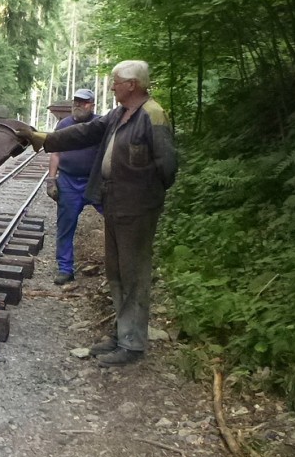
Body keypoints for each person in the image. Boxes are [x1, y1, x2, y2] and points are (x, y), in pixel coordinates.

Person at [18, 61, 177, 367]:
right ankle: (122, 335)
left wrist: (144, 194)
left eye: (117, 82)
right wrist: (44, 139)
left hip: (137, 207)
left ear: (132, 85)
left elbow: (167, 167)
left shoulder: (152, 116)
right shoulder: (118, 114)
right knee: (116, 273)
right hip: (115, 201)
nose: (113, 86)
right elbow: (85, 133)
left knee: (134, 274)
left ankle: (132, 345)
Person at [47, 89, 102, 286]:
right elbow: (55, 152)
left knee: (114, 218)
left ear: (92, 105)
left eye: (84, 102)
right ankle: (65, 269)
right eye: (76, 101)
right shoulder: (64, 124)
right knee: (65, 226)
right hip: (69, 181)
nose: (79, 105)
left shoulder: (100, 125)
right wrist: (52, 180)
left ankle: (118, 265)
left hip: (94, 181)